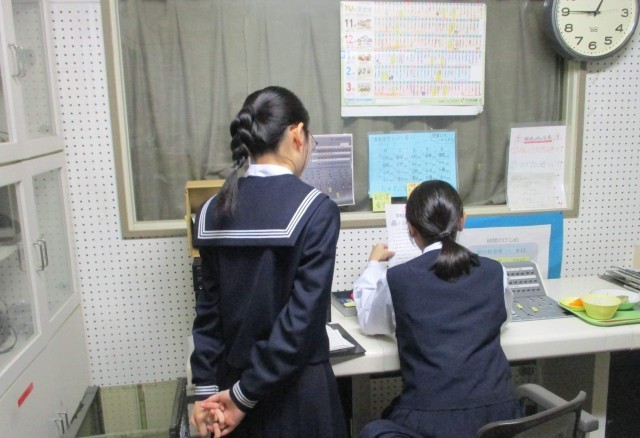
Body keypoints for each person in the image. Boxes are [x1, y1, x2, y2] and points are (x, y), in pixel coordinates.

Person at [189, 86, 347, 437]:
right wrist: (243, 396)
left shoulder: (212, 210)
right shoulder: (315, 210)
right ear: (297, 134)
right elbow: (300, 323)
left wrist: (207, 396)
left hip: (228, 394)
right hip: (297, 396)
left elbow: (208, 315)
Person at [353, 180, 521, 438]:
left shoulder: (398, 279)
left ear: (411, 228)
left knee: (374, 429)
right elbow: (503, 317)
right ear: (462, 221)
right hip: (500, 421)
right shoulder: (496, 271)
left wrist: (374, 265)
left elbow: (370, 321)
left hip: (431, 424)